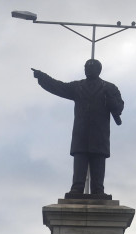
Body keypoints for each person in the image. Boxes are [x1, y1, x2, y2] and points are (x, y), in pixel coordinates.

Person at [32, 59, 124, 198]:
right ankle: (77, 188)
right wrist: (43, 77)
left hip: (100, 133)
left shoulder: (110, 88)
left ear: (99, 70)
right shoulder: (78, 87)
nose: (87, 69)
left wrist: (111, 101)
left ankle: (98, 190)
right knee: (80, 159)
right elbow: (58, 87)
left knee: (98, 161)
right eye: (86, 67)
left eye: (91, 67)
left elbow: (119, 107)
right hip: (81, 132)